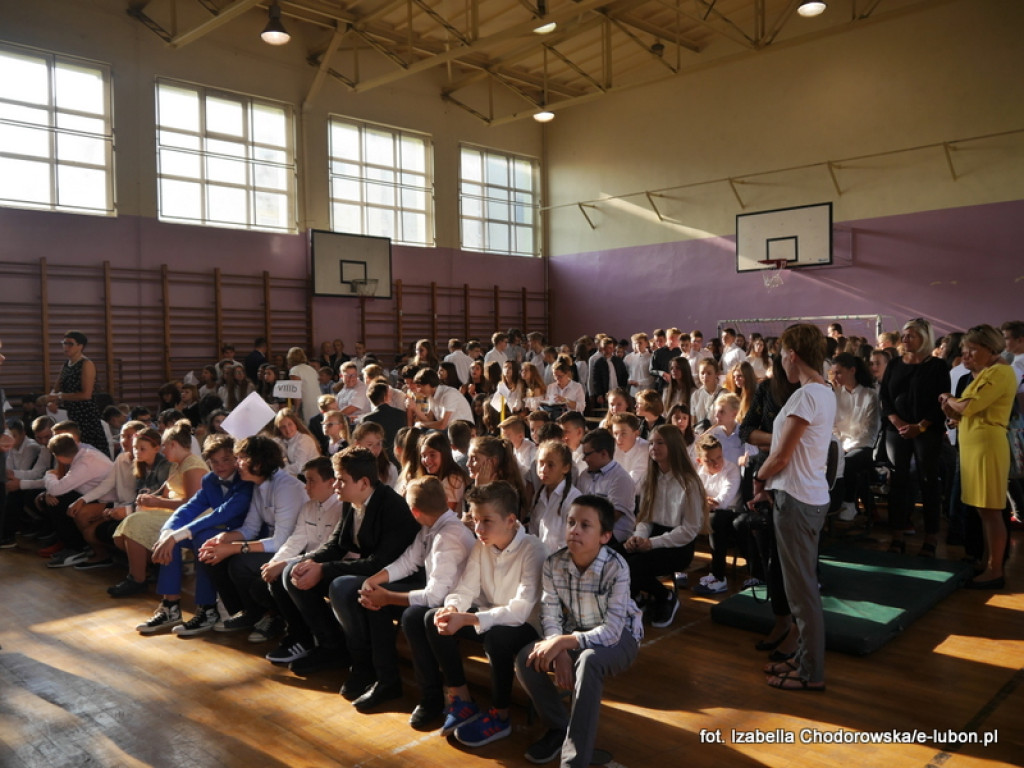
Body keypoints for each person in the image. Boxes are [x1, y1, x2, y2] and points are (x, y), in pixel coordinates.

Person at [515, 495, 643, 768]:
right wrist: (557, 648)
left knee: (589, 661)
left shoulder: (616, 567)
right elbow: (549, 613)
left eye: (586, 525)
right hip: (576, 635)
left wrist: (564, 643)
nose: (575, 530)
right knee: (527, 657)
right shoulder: (554, 564)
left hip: (621, 638)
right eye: (571, 522)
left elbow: (611, 631)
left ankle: (574, 762)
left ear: (605, 536)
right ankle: (558, 727)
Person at [416, 481, 546, 747]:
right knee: (434, 618)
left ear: (511, 520)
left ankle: (501, 716)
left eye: (486, 520)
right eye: (475, 520)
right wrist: (452, 608)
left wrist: (471, 619)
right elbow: (465, 588)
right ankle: (462, 699)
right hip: (490, 617)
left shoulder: (533, 549)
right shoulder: (481, 545)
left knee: (497, 638)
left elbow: (520, 610)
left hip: (527, 626)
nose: (478, 528)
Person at [284, 447, 420, 694]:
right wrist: (310, 562)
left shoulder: (392, 507)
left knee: (342, 587)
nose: (335, 485)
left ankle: (363, 664)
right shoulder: (350, 500)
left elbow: (380, 563)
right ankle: (331, 647)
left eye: (341, 480)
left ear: (364, 482)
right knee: (293, 572)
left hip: (396, 577)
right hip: (372, 570)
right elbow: (337, 544)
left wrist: (324, 569)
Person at [750, 324, 835, 692]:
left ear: (793, 354)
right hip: (805, 496)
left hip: (798, 501)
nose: (779, 361)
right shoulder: (821, 391)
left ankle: (810, 672)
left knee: (802, 593)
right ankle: (802, 661)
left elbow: (781, 455)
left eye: (782, 353)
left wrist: (759, 477)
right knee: (801, 588)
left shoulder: (807, 396)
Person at [355, 476, 476, 726]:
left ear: (415, 511)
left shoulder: (448, 537)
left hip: (465, 605)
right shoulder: (431, 527)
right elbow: (410, 561)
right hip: (444, 598)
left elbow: (434, 596)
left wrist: (387, 596)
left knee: (412, 616)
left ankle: (431, 698)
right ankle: (387, 680)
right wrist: (375, 581)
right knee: (377, 604)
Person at [197, 435, 305, 633]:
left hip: (294, 550)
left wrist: (232, 549)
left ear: (259, 461)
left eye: (241, 458)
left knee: (240, 563)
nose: (237, 464)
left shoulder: (286, 486)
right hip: (277, 545)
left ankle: (270, 616)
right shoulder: (259, 485)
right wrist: (223, 540)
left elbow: (282, 542)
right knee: (212, 556)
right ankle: (246, 613)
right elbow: (250, 529)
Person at [940, 325, 1017, 589]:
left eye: (972, 349)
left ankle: (995, 569)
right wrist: (952, 406)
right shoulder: (985, 373)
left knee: (991, 511)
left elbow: (968, 406)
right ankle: (987, 562)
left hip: (988, 448)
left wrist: (951, 399)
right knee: (983, 511)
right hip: (975, 447)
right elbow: (960, 412)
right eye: (964, 349)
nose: (967, 355)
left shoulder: (1000, 372)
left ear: (990, 348)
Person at [262, 457, 344, 662]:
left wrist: (286, 564)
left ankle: (318, 640)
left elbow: (328, 549)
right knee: (273, 579)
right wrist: (276, 562)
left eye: (311, 481)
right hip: (306, 563)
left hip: (327, 565)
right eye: (305, 480)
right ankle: (300, 636)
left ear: (330, 482)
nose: (306, 486)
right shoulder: (309, 507)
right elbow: (296, 539)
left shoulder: (341, 509)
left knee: (290, 576)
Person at [110, 421, 205, 596]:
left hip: (192, 517)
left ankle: (137, 579)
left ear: (173, 445)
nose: (163, 451)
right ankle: (152, 568)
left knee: (134, 522)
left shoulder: (193, 466)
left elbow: (194, 504)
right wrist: (152, 500)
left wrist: (157, 503)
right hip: (176, 512)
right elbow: (169, 496)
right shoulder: (178, 464)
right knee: (124, 532)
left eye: (165, 447)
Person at [879, 318, 949, 555]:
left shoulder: (937, 366)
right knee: (897, 480)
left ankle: (931, 537)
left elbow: (941, 401)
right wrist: (898, 422)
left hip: (926, 430)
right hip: (896, 429)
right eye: (904, 335)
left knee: (928, 480)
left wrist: (921, 426)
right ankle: (897, 534)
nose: (906, 339)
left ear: (924, 338)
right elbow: (885, 398)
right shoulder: (895, 363)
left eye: (912, 336)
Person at [624, 425, 703, 626]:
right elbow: (645, 518)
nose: (653, 447)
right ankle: (636, 597)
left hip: (678, 544)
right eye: (651, 443)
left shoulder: (689, 482)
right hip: (652, 536)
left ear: (674, 447)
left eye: (660, 443)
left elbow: (689, 529)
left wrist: (652, 543)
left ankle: (665, 596)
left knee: (635, 566)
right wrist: (639, 537)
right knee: (615, 557)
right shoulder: (651, 478)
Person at [691, 432, 743, 596]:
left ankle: (719, 577)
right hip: (708, 514)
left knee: (716, 519)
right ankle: (679, 569)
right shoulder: (700, 474)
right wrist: (704, 503)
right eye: (710, 460)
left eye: (719, 457)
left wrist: (704, 502)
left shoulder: (732, 469)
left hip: (732, 515)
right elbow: (693, 499)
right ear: (700, 461)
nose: (716, 463)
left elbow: (722, 502)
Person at [831, 352, 880, 522]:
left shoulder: (869, 395)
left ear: (852, 370)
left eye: (839, 372)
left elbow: (870, 430)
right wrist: (840, 444)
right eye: (834, 373)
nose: (836, 377)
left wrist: (849, 446)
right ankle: (832, 504)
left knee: (849, 462)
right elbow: (834, 425)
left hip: (864, 446)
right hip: (841, 445)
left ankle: (849, 502)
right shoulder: (835, 395)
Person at [575, 429, 636, 544]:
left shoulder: (621, 478)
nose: (584, 459)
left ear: (604, 453)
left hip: (615, 536)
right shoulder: (585, 475)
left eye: (587, 454)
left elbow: (612, 516)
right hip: (589, 530)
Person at [49, 331, 107, 452]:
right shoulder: (66, 365)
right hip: (72, 414)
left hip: (86, 416)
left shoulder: (86, 364)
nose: (66, 347)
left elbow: (86, 395)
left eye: (70, 344)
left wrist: (59, 397)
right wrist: (51, 401)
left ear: (80, 346)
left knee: (89, 451)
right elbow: (56, 388)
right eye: (64, 343)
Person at [529, 440, 582, 556]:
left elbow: (568, 542)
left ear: (566, 468)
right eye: (541, 463)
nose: (544, 470)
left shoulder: (573, 499)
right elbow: (533, 533)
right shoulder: (539, 496)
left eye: (551, 465)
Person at [272, 408, 321, 476]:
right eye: (283, 427)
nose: (287, 429)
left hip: (312, 478)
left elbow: (299, 468)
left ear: (296, 424)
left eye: (290, 424)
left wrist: (280, 468)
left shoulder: (304, 440)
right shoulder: (280, 441)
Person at [608, 412, 648, 489]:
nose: (618, 439)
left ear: (636, 434)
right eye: (615, 433)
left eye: (623, 434)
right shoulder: (612, 447)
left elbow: (631, 481)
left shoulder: (644, 449)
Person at [288, 347, 323, 424]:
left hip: (307, 403)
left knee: (308, 427)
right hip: (318, 401)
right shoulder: (311, 369)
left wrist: (296, 410)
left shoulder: (295, 371)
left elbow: (297, 392)